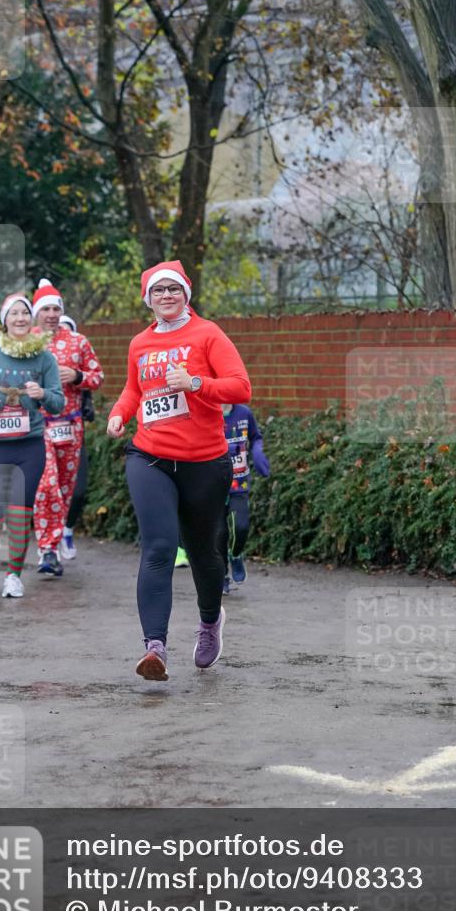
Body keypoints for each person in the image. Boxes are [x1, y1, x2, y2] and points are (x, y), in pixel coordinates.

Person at [107, 260, 251, 681]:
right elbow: (135, 389)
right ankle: (155, 648)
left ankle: (210, 624)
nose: (166, 296)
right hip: (149, 455)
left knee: (205, 552)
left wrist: (195, 384)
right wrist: (119, 414)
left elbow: (241, 387)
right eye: (158, 291)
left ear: (186, 294)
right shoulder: (139, 343)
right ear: (147, 299)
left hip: (205, 461)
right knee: (159, 547)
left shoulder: (208, 334)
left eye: (173, 289)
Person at [0, 294, 64, 597]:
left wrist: (42, 395)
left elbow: (58, 402)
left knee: (21, 511)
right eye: (14, 314)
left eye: (25, 313)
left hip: (28, 446)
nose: (20, 318)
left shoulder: (45, 358)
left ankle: (13, 575)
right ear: (4, 320)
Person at [32, 281, 104, 576]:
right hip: (38, 426)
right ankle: (46, 549)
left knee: (65, 488)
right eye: (45, 309)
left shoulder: (78, 341)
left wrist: (76, 375)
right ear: (37, 313)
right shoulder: (26, 341)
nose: (51, 313)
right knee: (46, 485)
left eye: (55, 308)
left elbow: (97, 377)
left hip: (71, 424)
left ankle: (56, 539)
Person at [220, 402, 270, 594]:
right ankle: (222, 576)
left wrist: (257, 451)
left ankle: (235, 554)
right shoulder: (208, 413)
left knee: (240, 527)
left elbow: (256, 437)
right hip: (214, 486)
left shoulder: (244, 413)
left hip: (238, 485)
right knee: (218, 534)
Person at [58, 315, 96, 560]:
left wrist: (78, 378)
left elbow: (95, 377)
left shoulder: (80, 370)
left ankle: (67, 529)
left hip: (73, 432)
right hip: (44, 433)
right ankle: (48, 544)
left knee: (78, 490)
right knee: (50, 489)